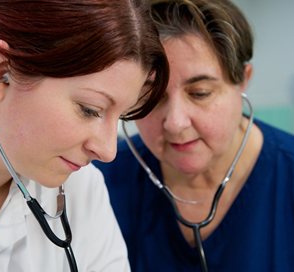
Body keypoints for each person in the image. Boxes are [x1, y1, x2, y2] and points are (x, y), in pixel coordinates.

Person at [0, 0, 169, 271]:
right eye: (89, 110)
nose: (107, 152)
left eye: (119, 117)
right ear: (2, 70)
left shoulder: (80, 188)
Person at [94, 0, 294, 271]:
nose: (175, 123)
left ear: (243, 80)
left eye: (200, 93)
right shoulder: (98, 183)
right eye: (152, 97)